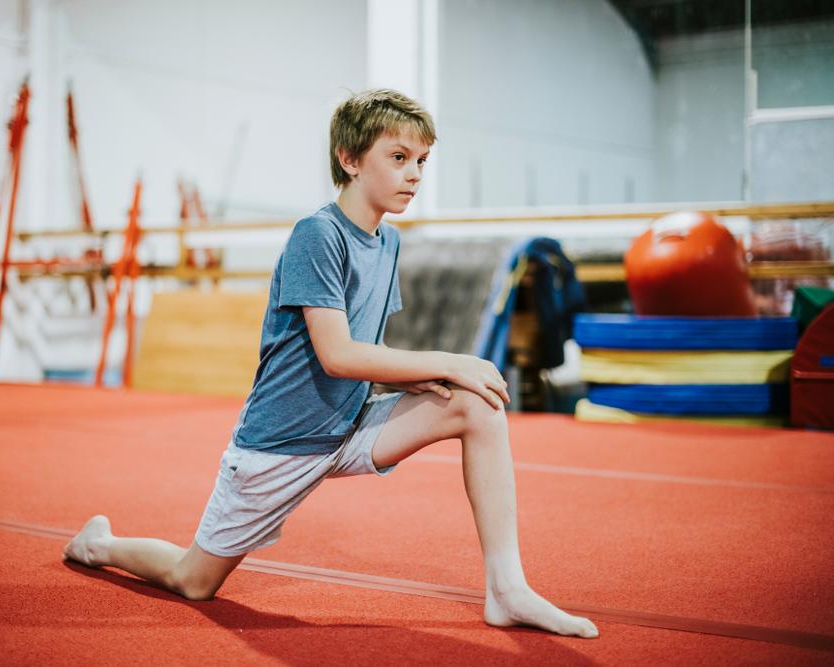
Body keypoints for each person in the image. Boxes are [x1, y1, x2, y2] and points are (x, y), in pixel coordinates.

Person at [64, 89, 598, 639]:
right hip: (280, 444)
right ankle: (98, 544)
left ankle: (507, 590)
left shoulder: (386, 243)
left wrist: (434, 378)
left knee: (476, 406)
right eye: (398, 158)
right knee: (192, 580)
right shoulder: (316, 236)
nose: (414, 174)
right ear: (349, 159)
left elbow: (372, 351)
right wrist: (451, 359)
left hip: (346, 427)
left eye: (421, 161)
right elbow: (339, 355)